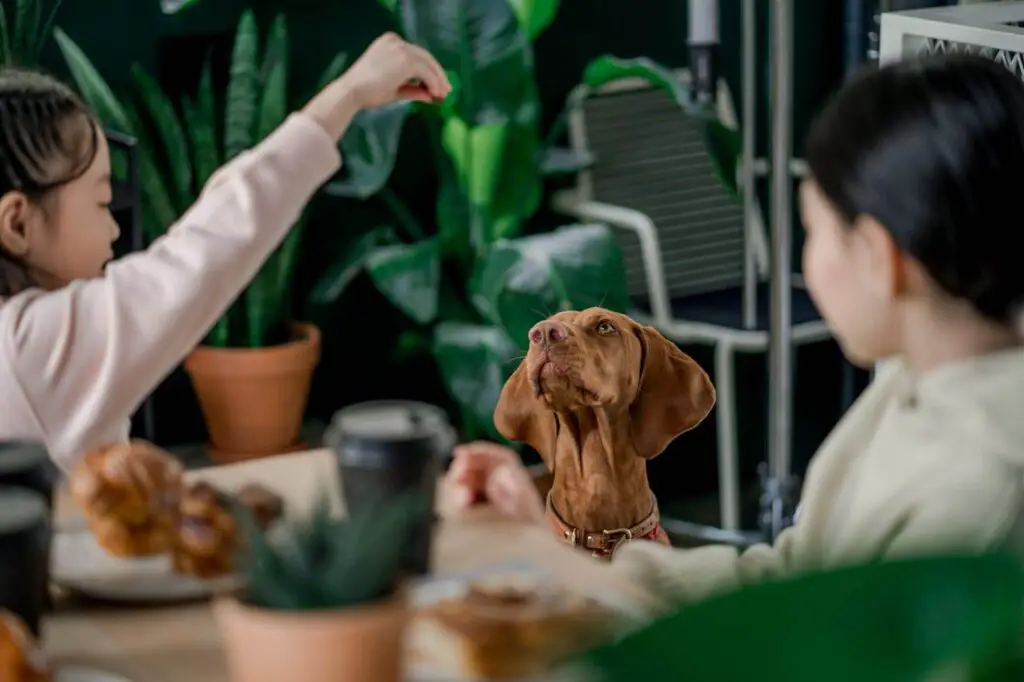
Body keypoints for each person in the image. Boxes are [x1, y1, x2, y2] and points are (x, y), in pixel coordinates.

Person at [445, 54, 1024, 606]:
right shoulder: (916, 385)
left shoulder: (976, 495)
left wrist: (554, 567)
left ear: (878, 257)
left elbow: (815, 647)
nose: (806, 257)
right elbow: (796, 580)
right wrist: (554, 551)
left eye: (812, 230)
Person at [0, 33, 451, 470]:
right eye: (101, 201)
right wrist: (347, 95)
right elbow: (212, 243)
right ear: (17, 223)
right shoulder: (30, 350)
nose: (114, 228)